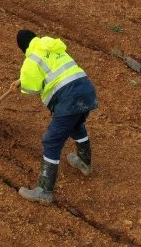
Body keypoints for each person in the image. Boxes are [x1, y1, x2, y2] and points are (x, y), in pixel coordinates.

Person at [10, 30, 98, 204]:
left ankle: (44, 190)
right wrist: (22, 80)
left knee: (51, 141)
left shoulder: (30, 60)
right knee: (76, 123)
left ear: (22, 48)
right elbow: (55, 70)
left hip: (68, 97)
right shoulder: (52, 46)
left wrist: (21, 86)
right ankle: (84, 161)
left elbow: (33, 87)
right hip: (85, 89)